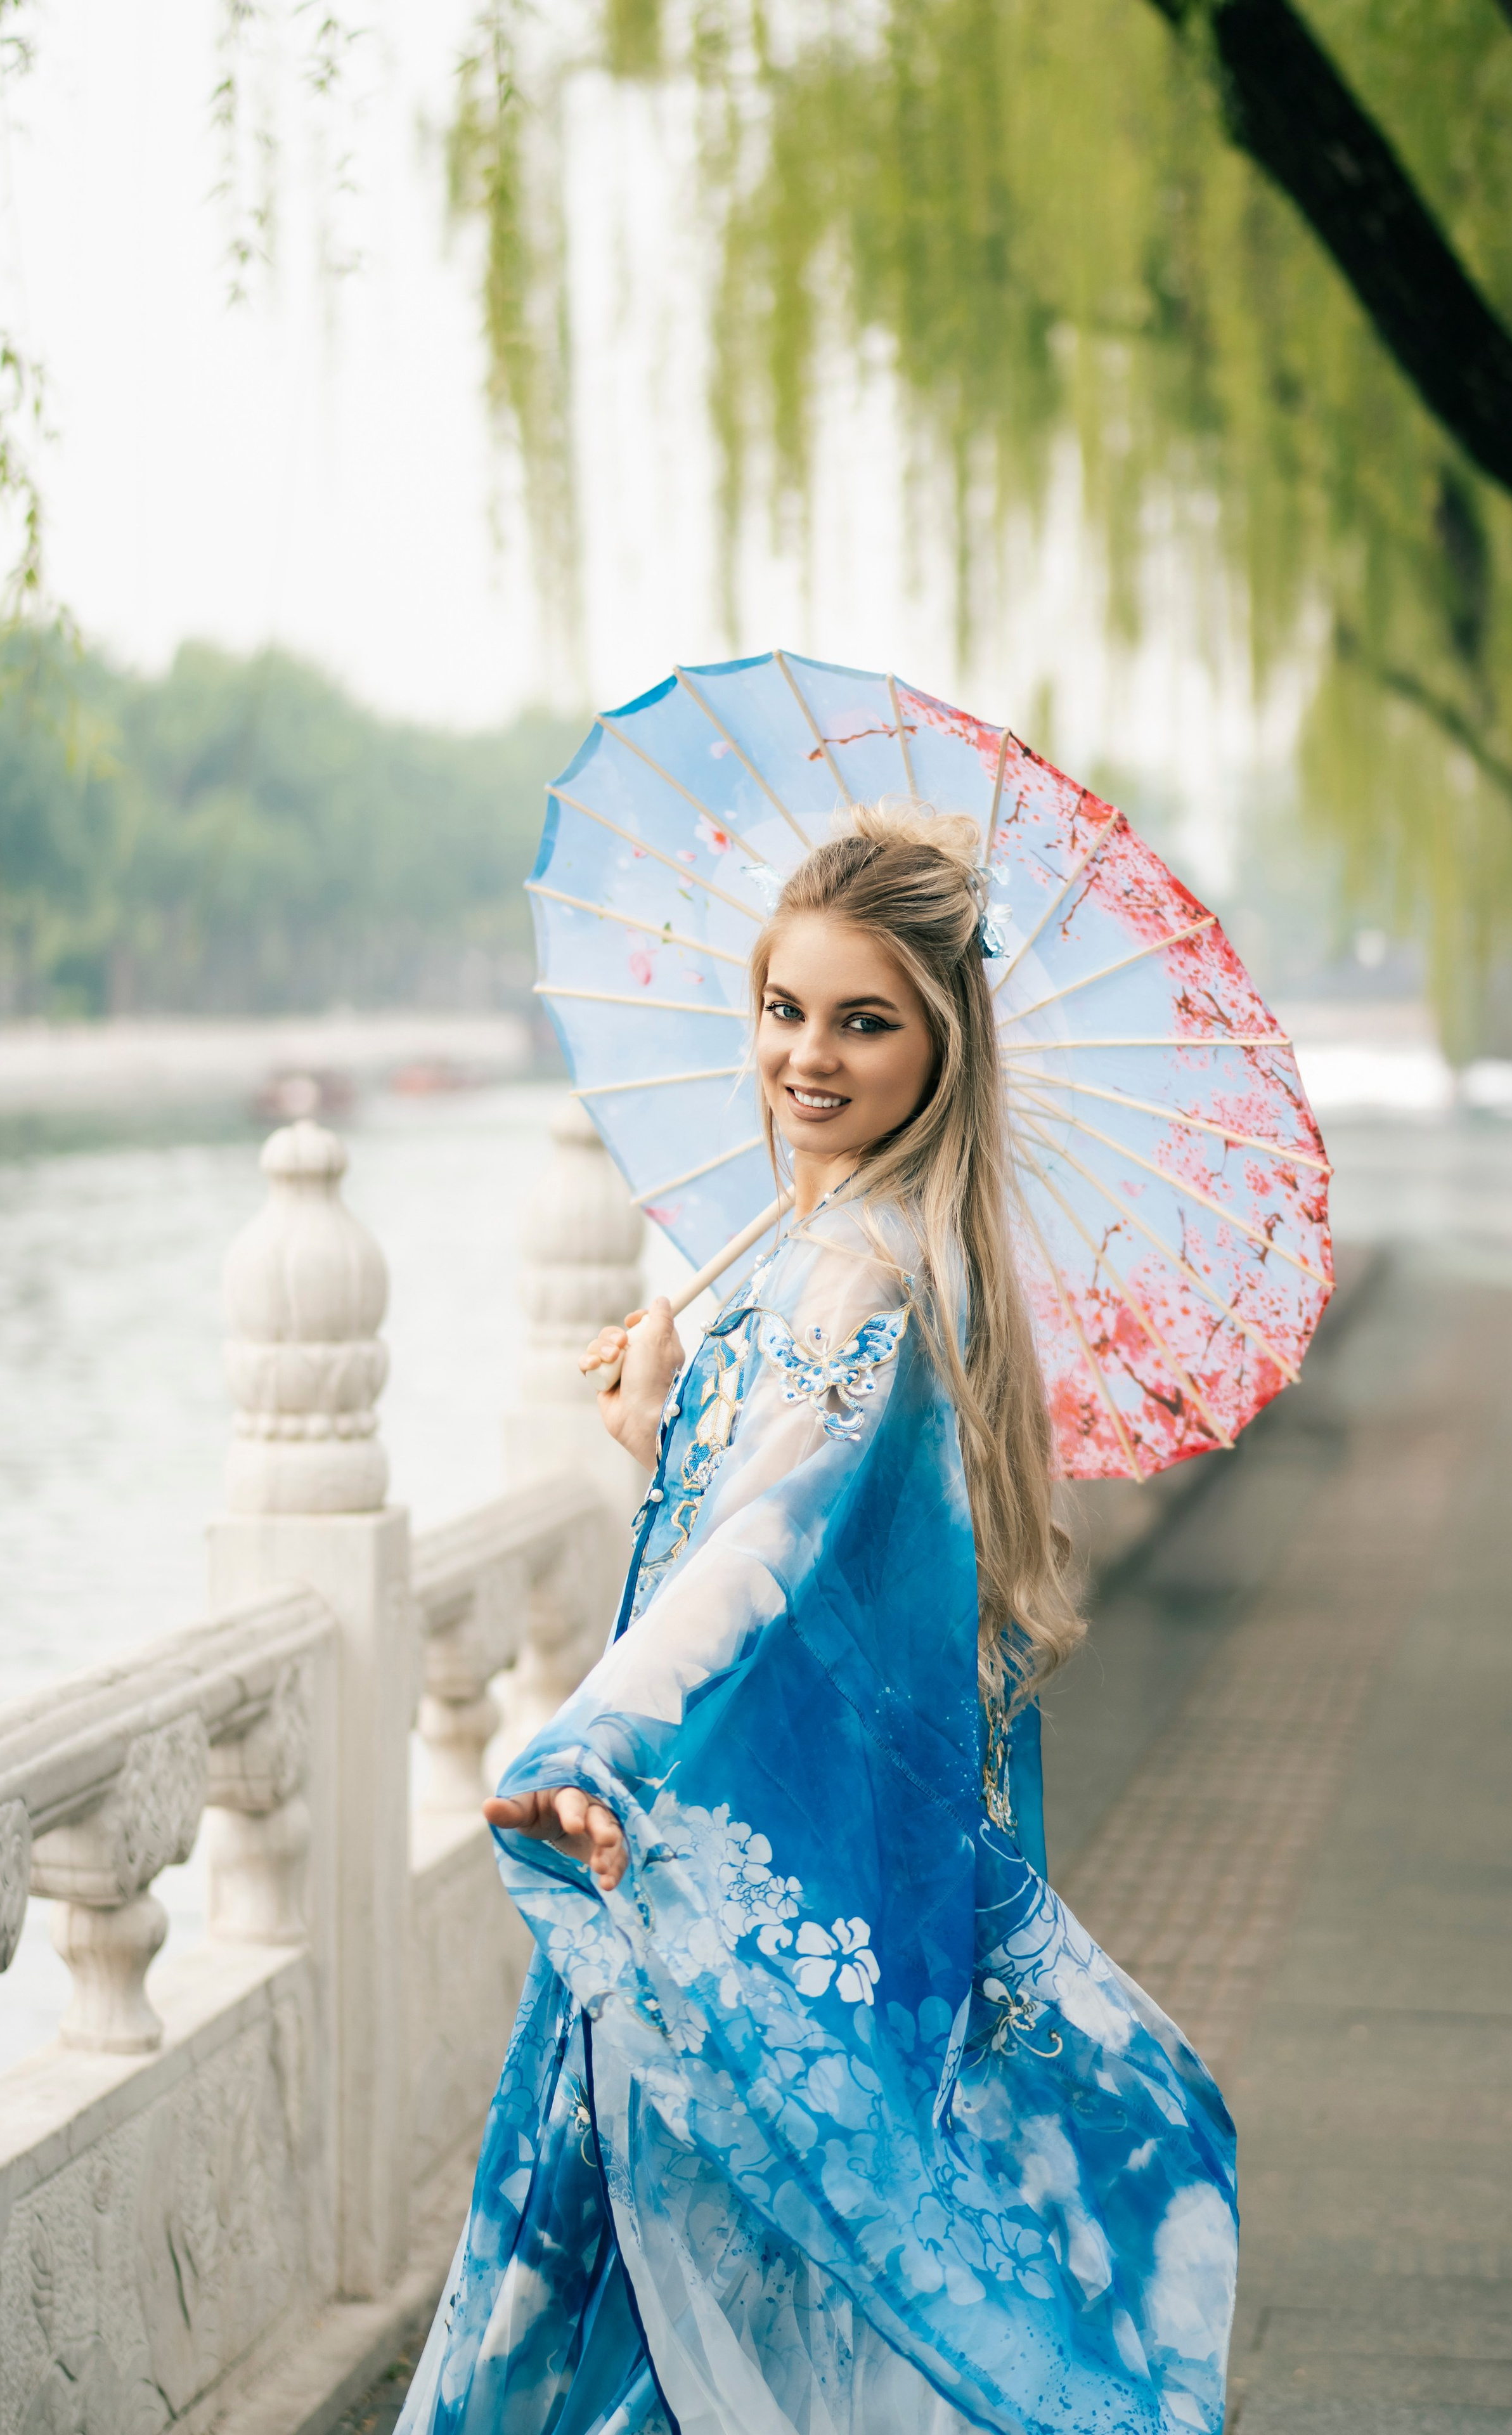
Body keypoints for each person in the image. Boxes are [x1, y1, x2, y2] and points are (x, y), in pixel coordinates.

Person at [396, 804, 1237, 2435]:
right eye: (785, 1010)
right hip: (827, 1837)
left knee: (692, 2284)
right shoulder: (855, 1247)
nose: (807, 1058)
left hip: (747, 1835)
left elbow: (759, 1564)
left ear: (940, 1044)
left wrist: (602, 1748)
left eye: (864, 1022)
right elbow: (794, 1523)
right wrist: (664, 1423)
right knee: (783, 2289)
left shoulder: (860, 1276)